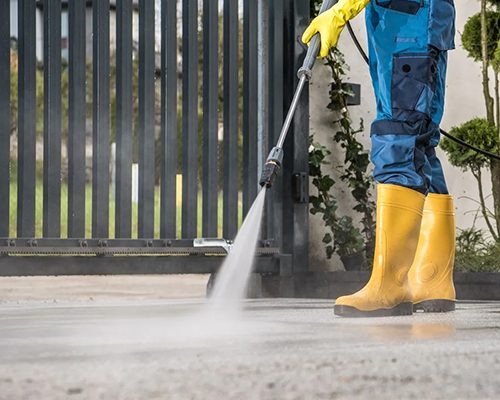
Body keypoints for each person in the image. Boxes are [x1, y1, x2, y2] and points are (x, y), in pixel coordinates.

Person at [302, 0, 457, 317]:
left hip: (407, 24)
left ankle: (390, 285)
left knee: (398, 137)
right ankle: (432, 279)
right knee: (420, 142)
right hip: (409, 22)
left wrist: (342, 9)